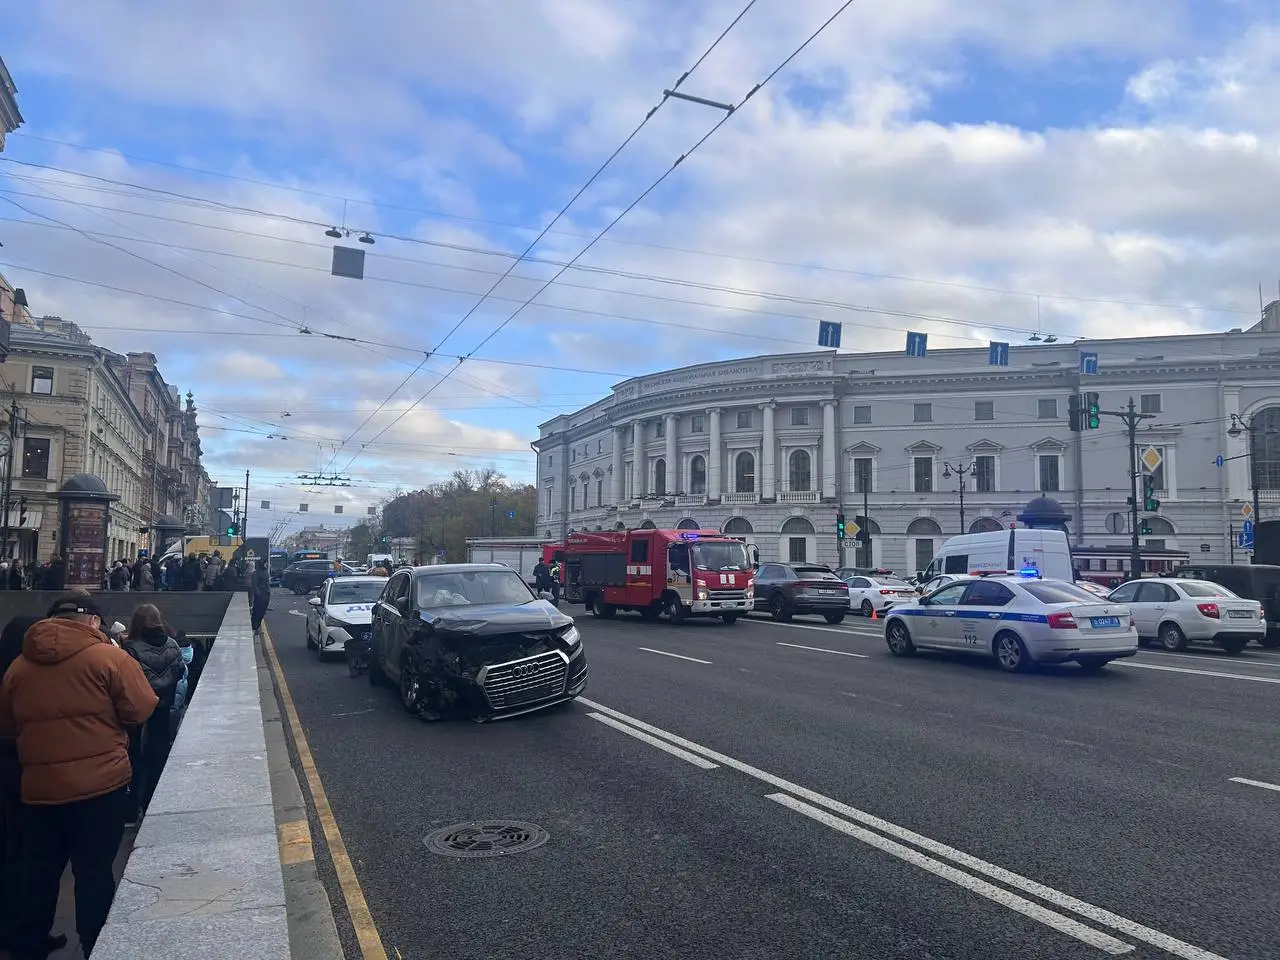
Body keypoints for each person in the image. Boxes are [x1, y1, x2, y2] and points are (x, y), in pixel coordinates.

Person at [0, 592, 158, 960]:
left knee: (36, 877)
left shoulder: (20, 667)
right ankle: (95, 946)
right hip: (99, 789)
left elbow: (7, 725)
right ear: (92, 622)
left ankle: (28, 947)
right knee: (94, 875)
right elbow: (141, 709)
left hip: (38, 790)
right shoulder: (110, 658)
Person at [0, 616, 67, 957]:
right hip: (25, 774)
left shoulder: (14, 673)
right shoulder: (28, 675)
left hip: (15, 769)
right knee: (28, 860)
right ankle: (26, 936)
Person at [121, 605, 186, 821]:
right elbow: (178, 671)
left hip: (138, 714)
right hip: (163, 709)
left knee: (134, 760)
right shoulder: (173, 644)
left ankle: (131, 810)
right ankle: (153, 806)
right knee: (158, 758)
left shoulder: (130, 648)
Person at [250, 559, 271, 637]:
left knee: (262, 612)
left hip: (266, 594)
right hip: (260, 595)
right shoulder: (255, 573)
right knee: (257, 611)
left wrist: (268, 592)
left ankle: (257, 627)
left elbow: (268, 583)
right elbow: (255, 585)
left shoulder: (265, 572)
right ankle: (254, 627)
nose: (266, 565)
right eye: (265, 563)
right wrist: (258, 594)